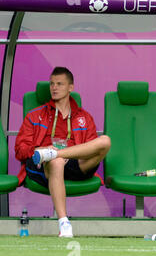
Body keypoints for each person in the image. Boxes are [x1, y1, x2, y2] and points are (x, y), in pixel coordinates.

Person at [15, 67, 111, 238]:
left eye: (60, 84)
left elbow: (90, 149)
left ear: (70, 88)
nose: (54, 87)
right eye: (52, 83)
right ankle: (64, 223)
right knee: (56, 162)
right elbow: (20, 150)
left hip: (74, 162)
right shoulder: (35, 115)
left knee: (105, 141)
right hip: (42, 162)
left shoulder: (84, 117)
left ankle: (59, 154)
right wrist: (41, 150)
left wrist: (62, 153)